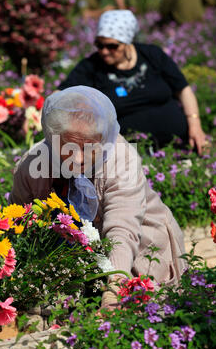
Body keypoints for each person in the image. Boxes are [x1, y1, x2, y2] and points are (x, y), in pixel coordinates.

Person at [9, 86, 187, 309]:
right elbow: (19, 225)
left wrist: (115, 286)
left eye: (89, 147)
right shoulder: (32, 165)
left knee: (140, 309)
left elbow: (122, 229)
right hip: (73, 257)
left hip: (140, 245)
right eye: (68, 146)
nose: (78, 158)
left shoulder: (122, 159)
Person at [59, 10, 207, 154]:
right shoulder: (91, 66)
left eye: (112, 46)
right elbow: (60, 96)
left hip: (178, 145)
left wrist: (195, 124)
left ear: (127, 42)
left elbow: (183, 90)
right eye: (99, 45)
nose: (104, 51)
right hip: (129, 155)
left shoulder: (152, 55)